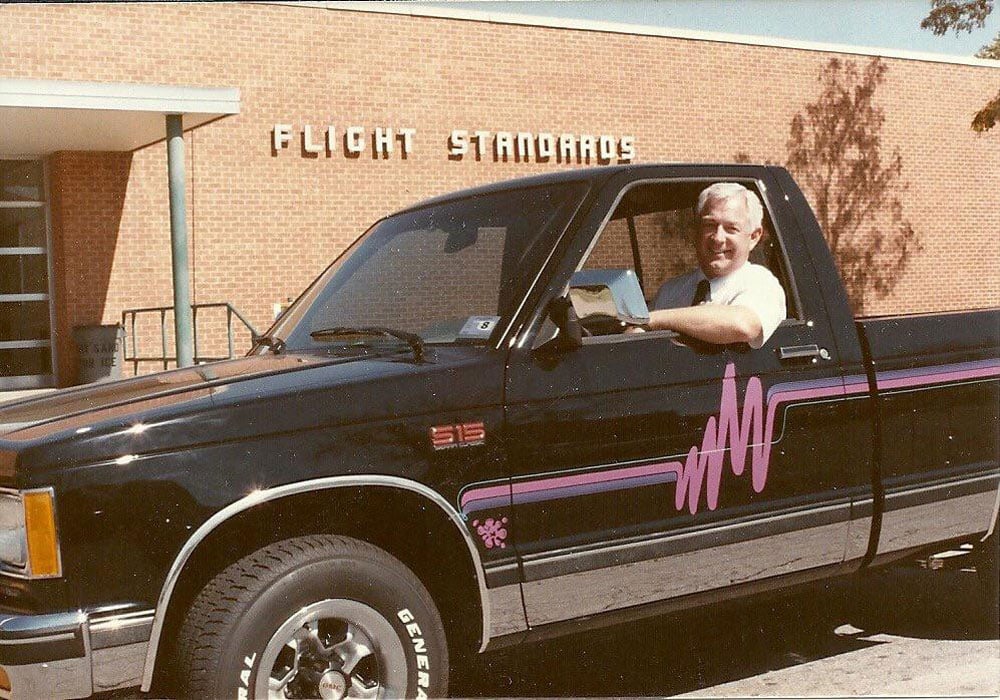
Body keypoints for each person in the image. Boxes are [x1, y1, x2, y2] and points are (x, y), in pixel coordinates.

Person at [632, 182, 786, 349]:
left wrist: (653, 320)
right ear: (696, 231)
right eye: (709, 225)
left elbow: (743, 325)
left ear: (754, 237)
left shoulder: (761, 283)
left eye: (731, 228)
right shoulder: (670, 291)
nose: (718, 238)